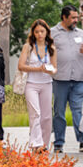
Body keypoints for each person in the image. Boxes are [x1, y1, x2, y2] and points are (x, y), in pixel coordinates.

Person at [51, 5, 83, 154]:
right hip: (60, 79)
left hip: (78, 79)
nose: (76, 20)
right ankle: (58, 143)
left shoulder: (81, 34)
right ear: (64, 17)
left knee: (79, 111)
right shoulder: (52, 33)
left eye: (77, 17)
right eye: (73, 18)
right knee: (59, 112)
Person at [18, 19, 58, 152]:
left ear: (47, 32)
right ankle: (36, 143)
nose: (40, 34)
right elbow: (21, 66)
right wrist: (38, 69)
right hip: (31, 84)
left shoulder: (51, 48)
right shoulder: (28, 47)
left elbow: (55, 68)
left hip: (46, 83)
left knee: (46, 116)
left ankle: (44, 145)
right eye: (36, 32)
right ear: (33, 33)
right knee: (35, 113)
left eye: (42, 31)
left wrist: (50, 70)